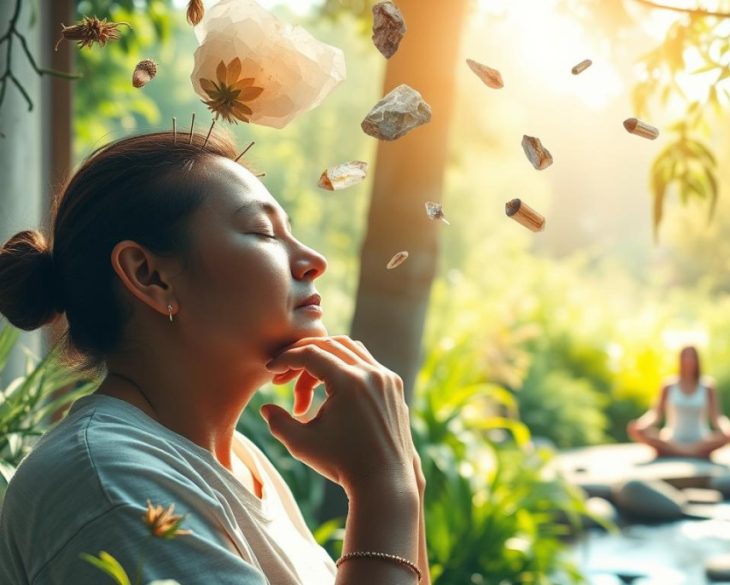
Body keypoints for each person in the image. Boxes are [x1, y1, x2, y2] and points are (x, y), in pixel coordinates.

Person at [0, 131, 427, 585]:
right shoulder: (106, 481)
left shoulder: (243, 464)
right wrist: (385, 490)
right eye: (264, 232)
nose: (312, 260)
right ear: (150, 276)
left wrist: (405, 477)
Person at [627, 346, 730, 458]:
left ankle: (677, 452)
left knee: (728, 435)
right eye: (685, 356)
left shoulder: (708, 386)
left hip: (701, 440)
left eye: (691, 356)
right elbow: (655, 414)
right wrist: (641, 424)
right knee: (640, 432)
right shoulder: (668, 385)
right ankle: (692, 453)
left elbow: (717, 417)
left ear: (697, 360)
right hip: (671, 440)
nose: (688, 360)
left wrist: (728, 428)